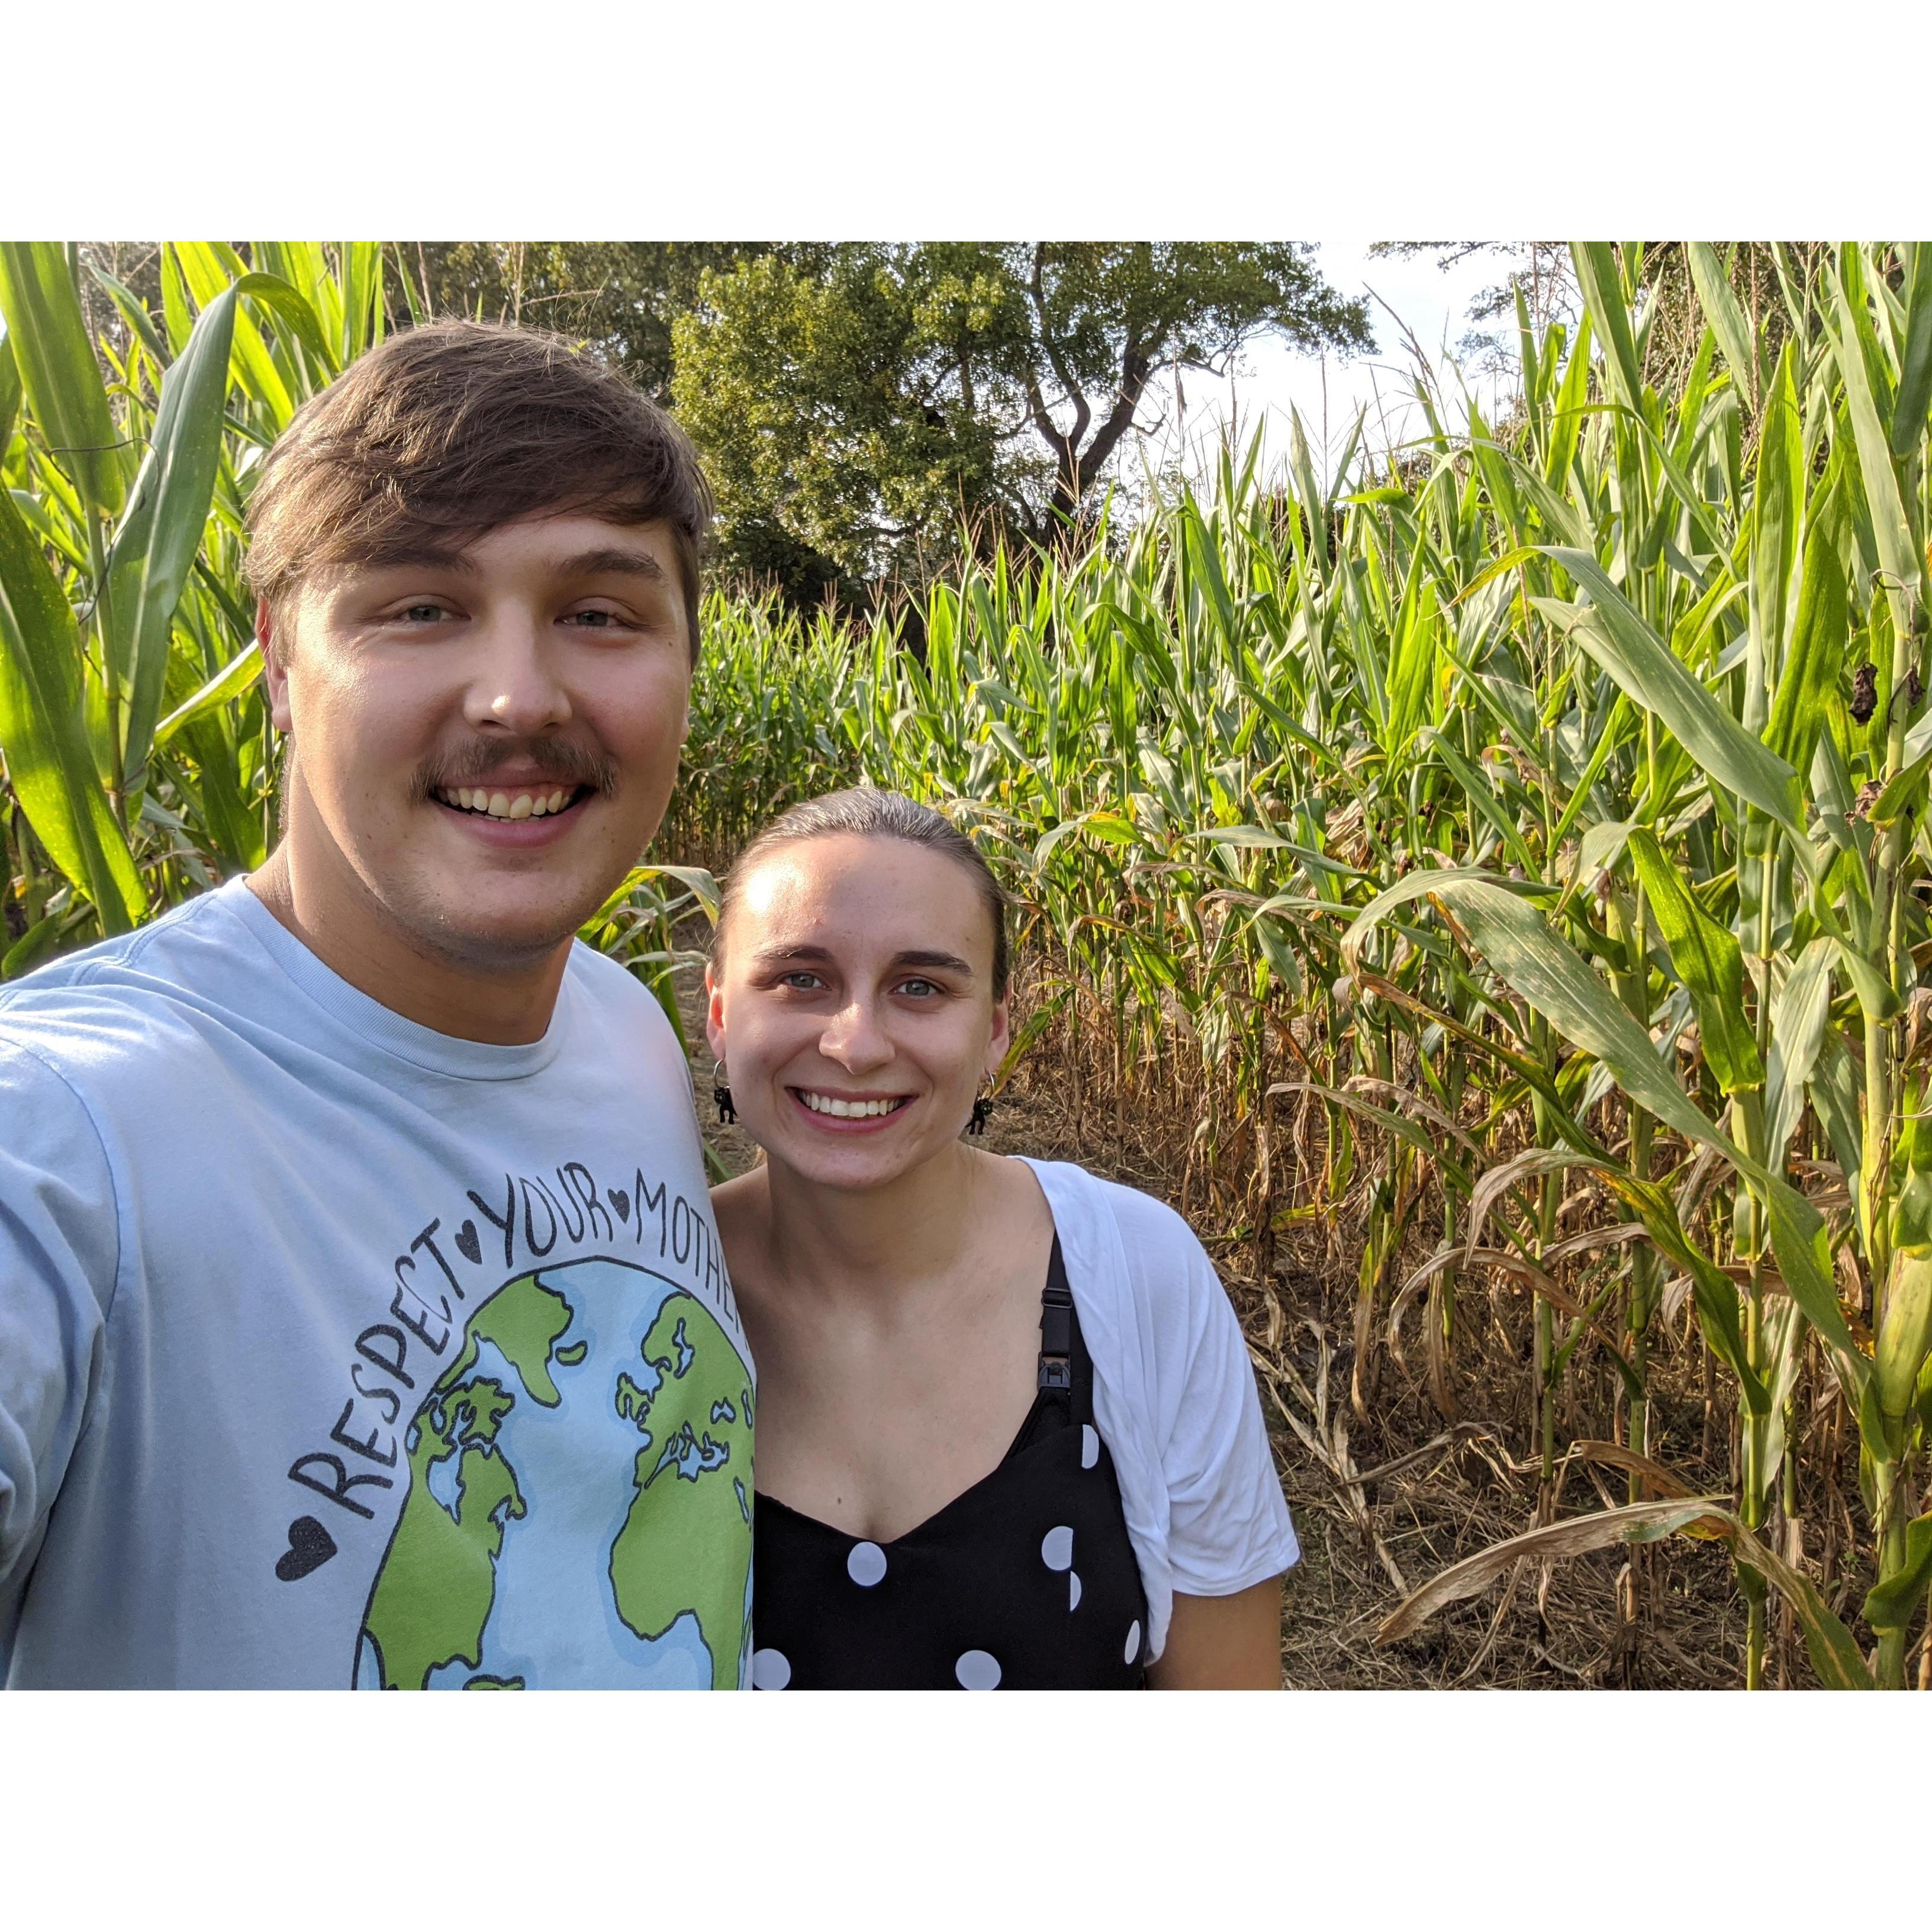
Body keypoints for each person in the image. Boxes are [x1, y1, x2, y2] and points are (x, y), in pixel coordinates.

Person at [0, 322, 754, 1689]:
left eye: (601, 611)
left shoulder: (626, 1034)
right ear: (283, 664)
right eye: (418, 606)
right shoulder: (64, 1129)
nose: (521, 696)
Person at [706, 788, 1298, 1689]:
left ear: (995, 1030)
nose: (857, 1043)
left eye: (921, 987)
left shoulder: (1139, 1279)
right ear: (716, 1013)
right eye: (800, 978)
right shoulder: (640, 1287)